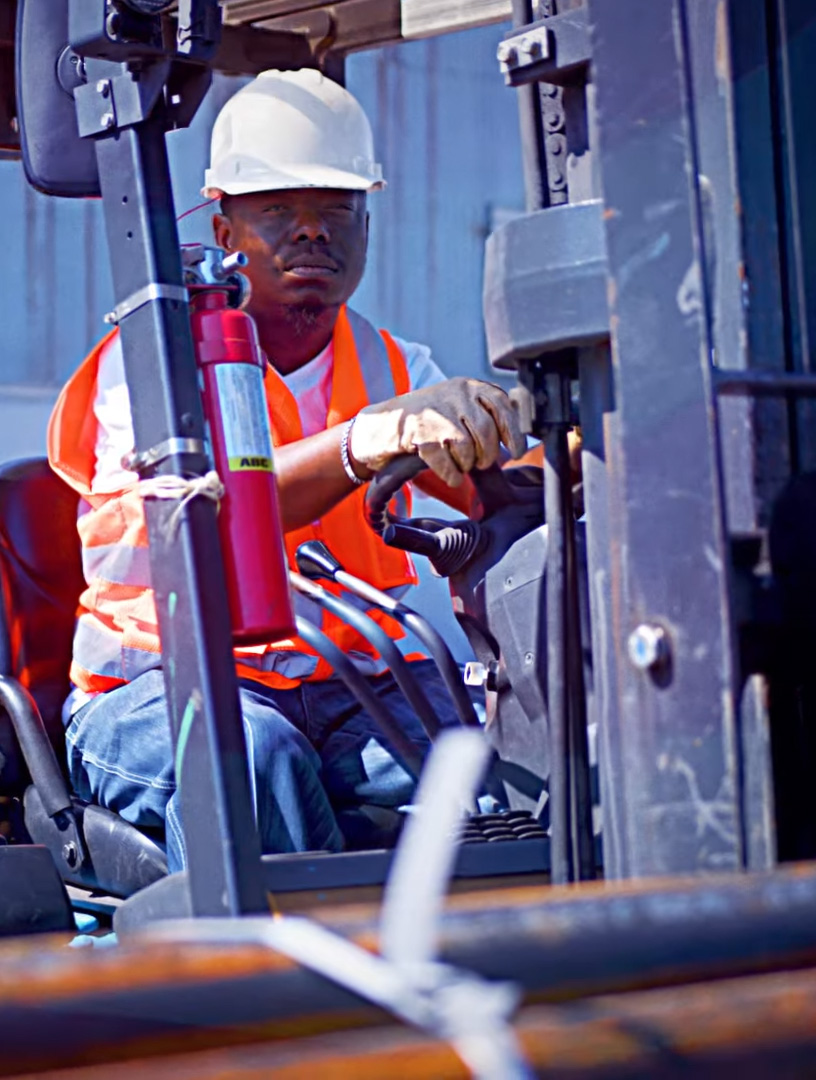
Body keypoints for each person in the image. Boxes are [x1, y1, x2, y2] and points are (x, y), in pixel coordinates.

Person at [47, 69, 526, 870]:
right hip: (158, 688)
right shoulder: (150, 367)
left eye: (337, 210)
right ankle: (293, 987)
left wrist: (551, 443)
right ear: (224, 227)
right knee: (256, 760)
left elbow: (500, 489)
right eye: (279, 210)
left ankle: (480, 969)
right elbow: (215, 518)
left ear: (367, 227)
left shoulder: (394, 366)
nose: (313, 232)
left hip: (348, 685)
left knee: (480, 767)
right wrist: (360, 442)